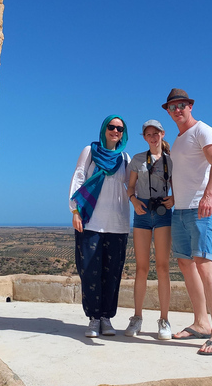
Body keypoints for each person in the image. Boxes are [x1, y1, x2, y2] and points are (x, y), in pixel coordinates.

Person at [163, 88, 212, 356]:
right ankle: (201, 323)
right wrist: (174, 198)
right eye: (172, 107)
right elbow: (184, 174)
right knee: (185, 263)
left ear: (190, 106)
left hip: (202, 209)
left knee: (204, 266)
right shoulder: (179, 140)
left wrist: (208, 195)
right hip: (180, 210)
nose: (177, 110)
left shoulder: (205, 131)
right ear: (168, 111)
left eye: (181, 105)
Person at [69, 115, 131, 338]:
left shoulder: (125, 158)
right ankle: (93, 319)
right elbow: (78, 178)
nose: (116, 131)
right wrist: (75, 211)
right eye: (112, 127)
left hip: (118, 225)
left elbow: (134, 186)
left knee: (112, 274)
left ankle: (106, 318)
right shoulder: (90, 151)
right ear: (104, 129)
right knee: (90, 272)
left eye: (120, 129)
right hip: (90, 221)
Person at [124, 119, 174, 340]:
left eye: (156, 133)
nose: (153, 137)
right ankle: (137, 318)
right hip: (142, 213)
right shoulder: (137, 160)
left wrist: (174, 199)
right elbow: (130, 186)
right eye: (148, 135)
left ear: (162, 134)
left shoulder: (171, 161)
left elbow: (179, 185)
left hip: (163, 213)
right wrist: (134, 201)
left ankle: (164, 320)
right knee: (141, 268)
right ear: (144, 137)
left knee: (163, 267)